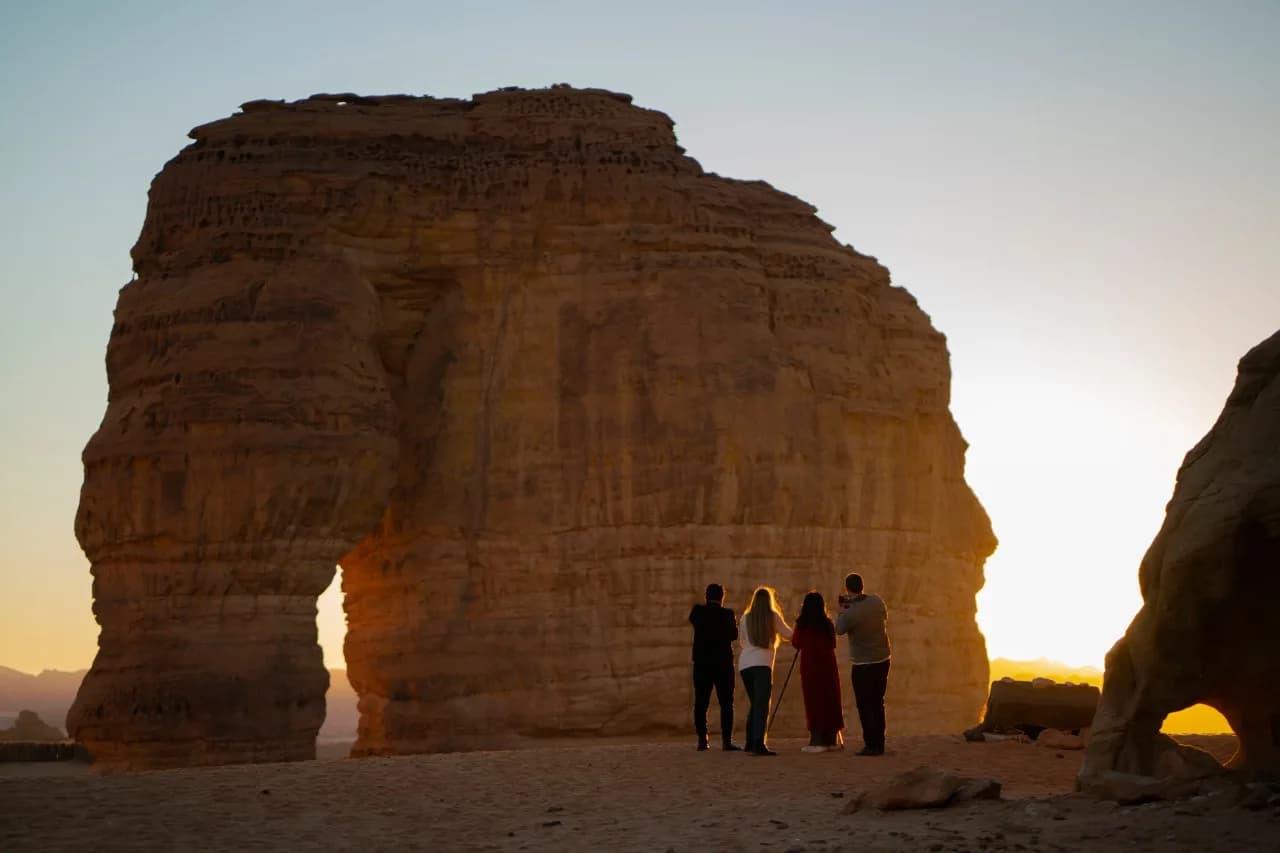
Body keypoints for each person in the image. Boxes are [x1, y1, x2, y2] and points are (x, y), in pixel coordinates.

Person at [835, 572, 891, 756]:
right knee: (878, 702)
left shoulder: (851, 612)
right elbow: (884, 616)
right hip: (883, 659)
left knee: (864, 705)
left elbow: (839, 629)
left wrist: (843, 609)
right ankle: (880, 743)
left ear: (848, 589)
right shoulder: (877, 601)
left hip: (862, 664)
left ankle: (871, 744)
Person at [738, 586, 793, 756]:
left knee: (755, 703)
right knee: (762, 705)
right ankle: (758, 744)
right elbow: (789, 635)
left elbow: (742, 642)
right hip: (762, 664)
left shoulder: (745, 618)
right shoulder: (772, 616)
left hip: (745, 664)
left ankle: (749, 742)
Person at [688, 583, 742, 751]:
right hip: (723, 663)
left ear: (706, 596)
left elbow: (693, 619)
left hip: (702, 663)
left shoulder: (698, 612)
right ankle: (726, 740)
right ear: (722, 597)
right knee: (726, 702)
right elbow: (734, 635)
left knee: (701, 702)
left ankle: (702, 740)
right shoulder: (727, 614)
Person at [790, 591, 845, 753]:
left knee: (814, 700)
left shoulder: (802, 624)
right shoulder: (827, 624)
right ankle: (831, 738)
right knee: (830, 699)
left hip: (810, 666)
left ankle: (817, 739)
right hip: (828, 666)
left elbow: (796, 642)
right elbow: (833, 643)